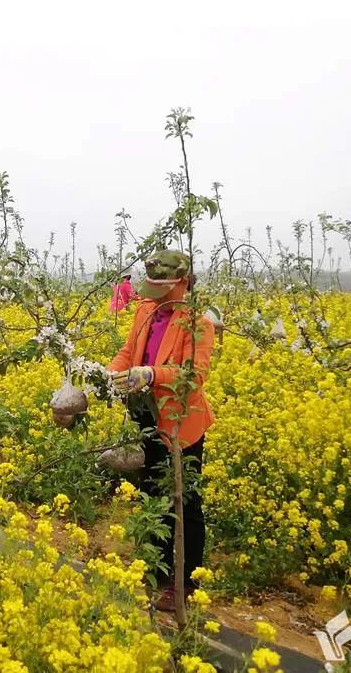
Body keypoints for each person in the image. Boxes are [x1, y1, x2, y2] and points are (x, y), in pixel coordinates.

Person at [107, 250, 215, 611]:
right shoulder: (145, 311)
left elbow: (193, 374)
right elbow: (128, 352)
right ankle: (155, 566)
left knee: (184, 502)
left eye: (162, 287)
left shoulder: (198, 322)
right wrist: (112, 373)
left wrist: (153, 374)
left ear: (182, 283)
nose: (154, 294)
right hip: (148, 416)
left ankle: (184, 582)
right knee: (153, 492)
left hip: (182, 422)